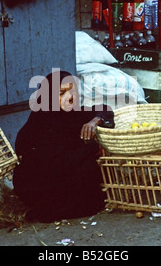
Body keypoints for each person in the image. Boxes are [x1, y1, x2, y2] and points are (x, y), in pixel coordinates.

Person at [13, 70, 114, 223]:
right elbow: (56, 164)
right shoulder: (43, 119)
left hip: (62, 173)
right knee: (88, 168)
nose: (70, 97)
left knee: (90, 168)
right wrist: (92, 148)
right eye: (61, 93)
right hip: (39, 182)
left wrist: (95, 121)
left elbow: (105, 109)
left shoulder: (71, 113)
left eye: (72, 90)